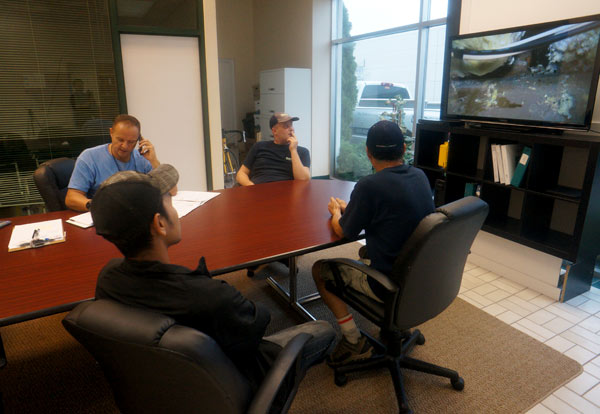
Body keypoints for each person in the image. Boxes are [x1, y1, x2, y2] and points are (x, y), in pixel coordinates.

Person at [89, 164, 336, 393]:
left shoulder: (108, 278)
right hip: (231, 380)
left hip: (165, 384)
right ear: (160, 224)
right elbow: (257, 321)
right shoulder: (209, 296)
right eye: (170, 202)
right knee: (324, 330)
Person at [312, 120, 435, 367]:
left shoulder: (369, 185)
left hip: (388, 285)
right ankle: (400, 326)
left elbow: (343, 231)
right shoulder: (420, 176)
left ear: (367, 152)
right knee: (364, 250)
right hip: (422, 279)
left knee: (320, 269)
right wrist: (356, 209)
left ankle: (353, 340)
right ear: (403, 149)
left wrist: (336, 211)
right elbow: (394, 210)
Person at [65, 114, 162, 212]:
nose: (125, 146)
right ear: (111, 133)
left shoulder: (142, 158)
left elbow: (171, 190)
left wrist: (153, 160)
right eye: (120, 140)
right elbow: (71, 198)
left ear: (139, 140)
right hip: (104, 215)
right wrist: (98, 206)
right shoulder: (89, 157)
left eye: (131, 142)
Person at [236, 112, 311, 186]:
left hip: (286, 193)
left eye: (291, 125)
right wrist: (251, 187)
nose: (291, 129)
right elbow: (241, 173)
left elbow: (303, 180)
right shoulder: (259, 146)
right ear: (274, 131)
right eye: (286, 126)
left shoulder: (302, 152)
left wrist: (293, 150)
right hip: (258, 190)